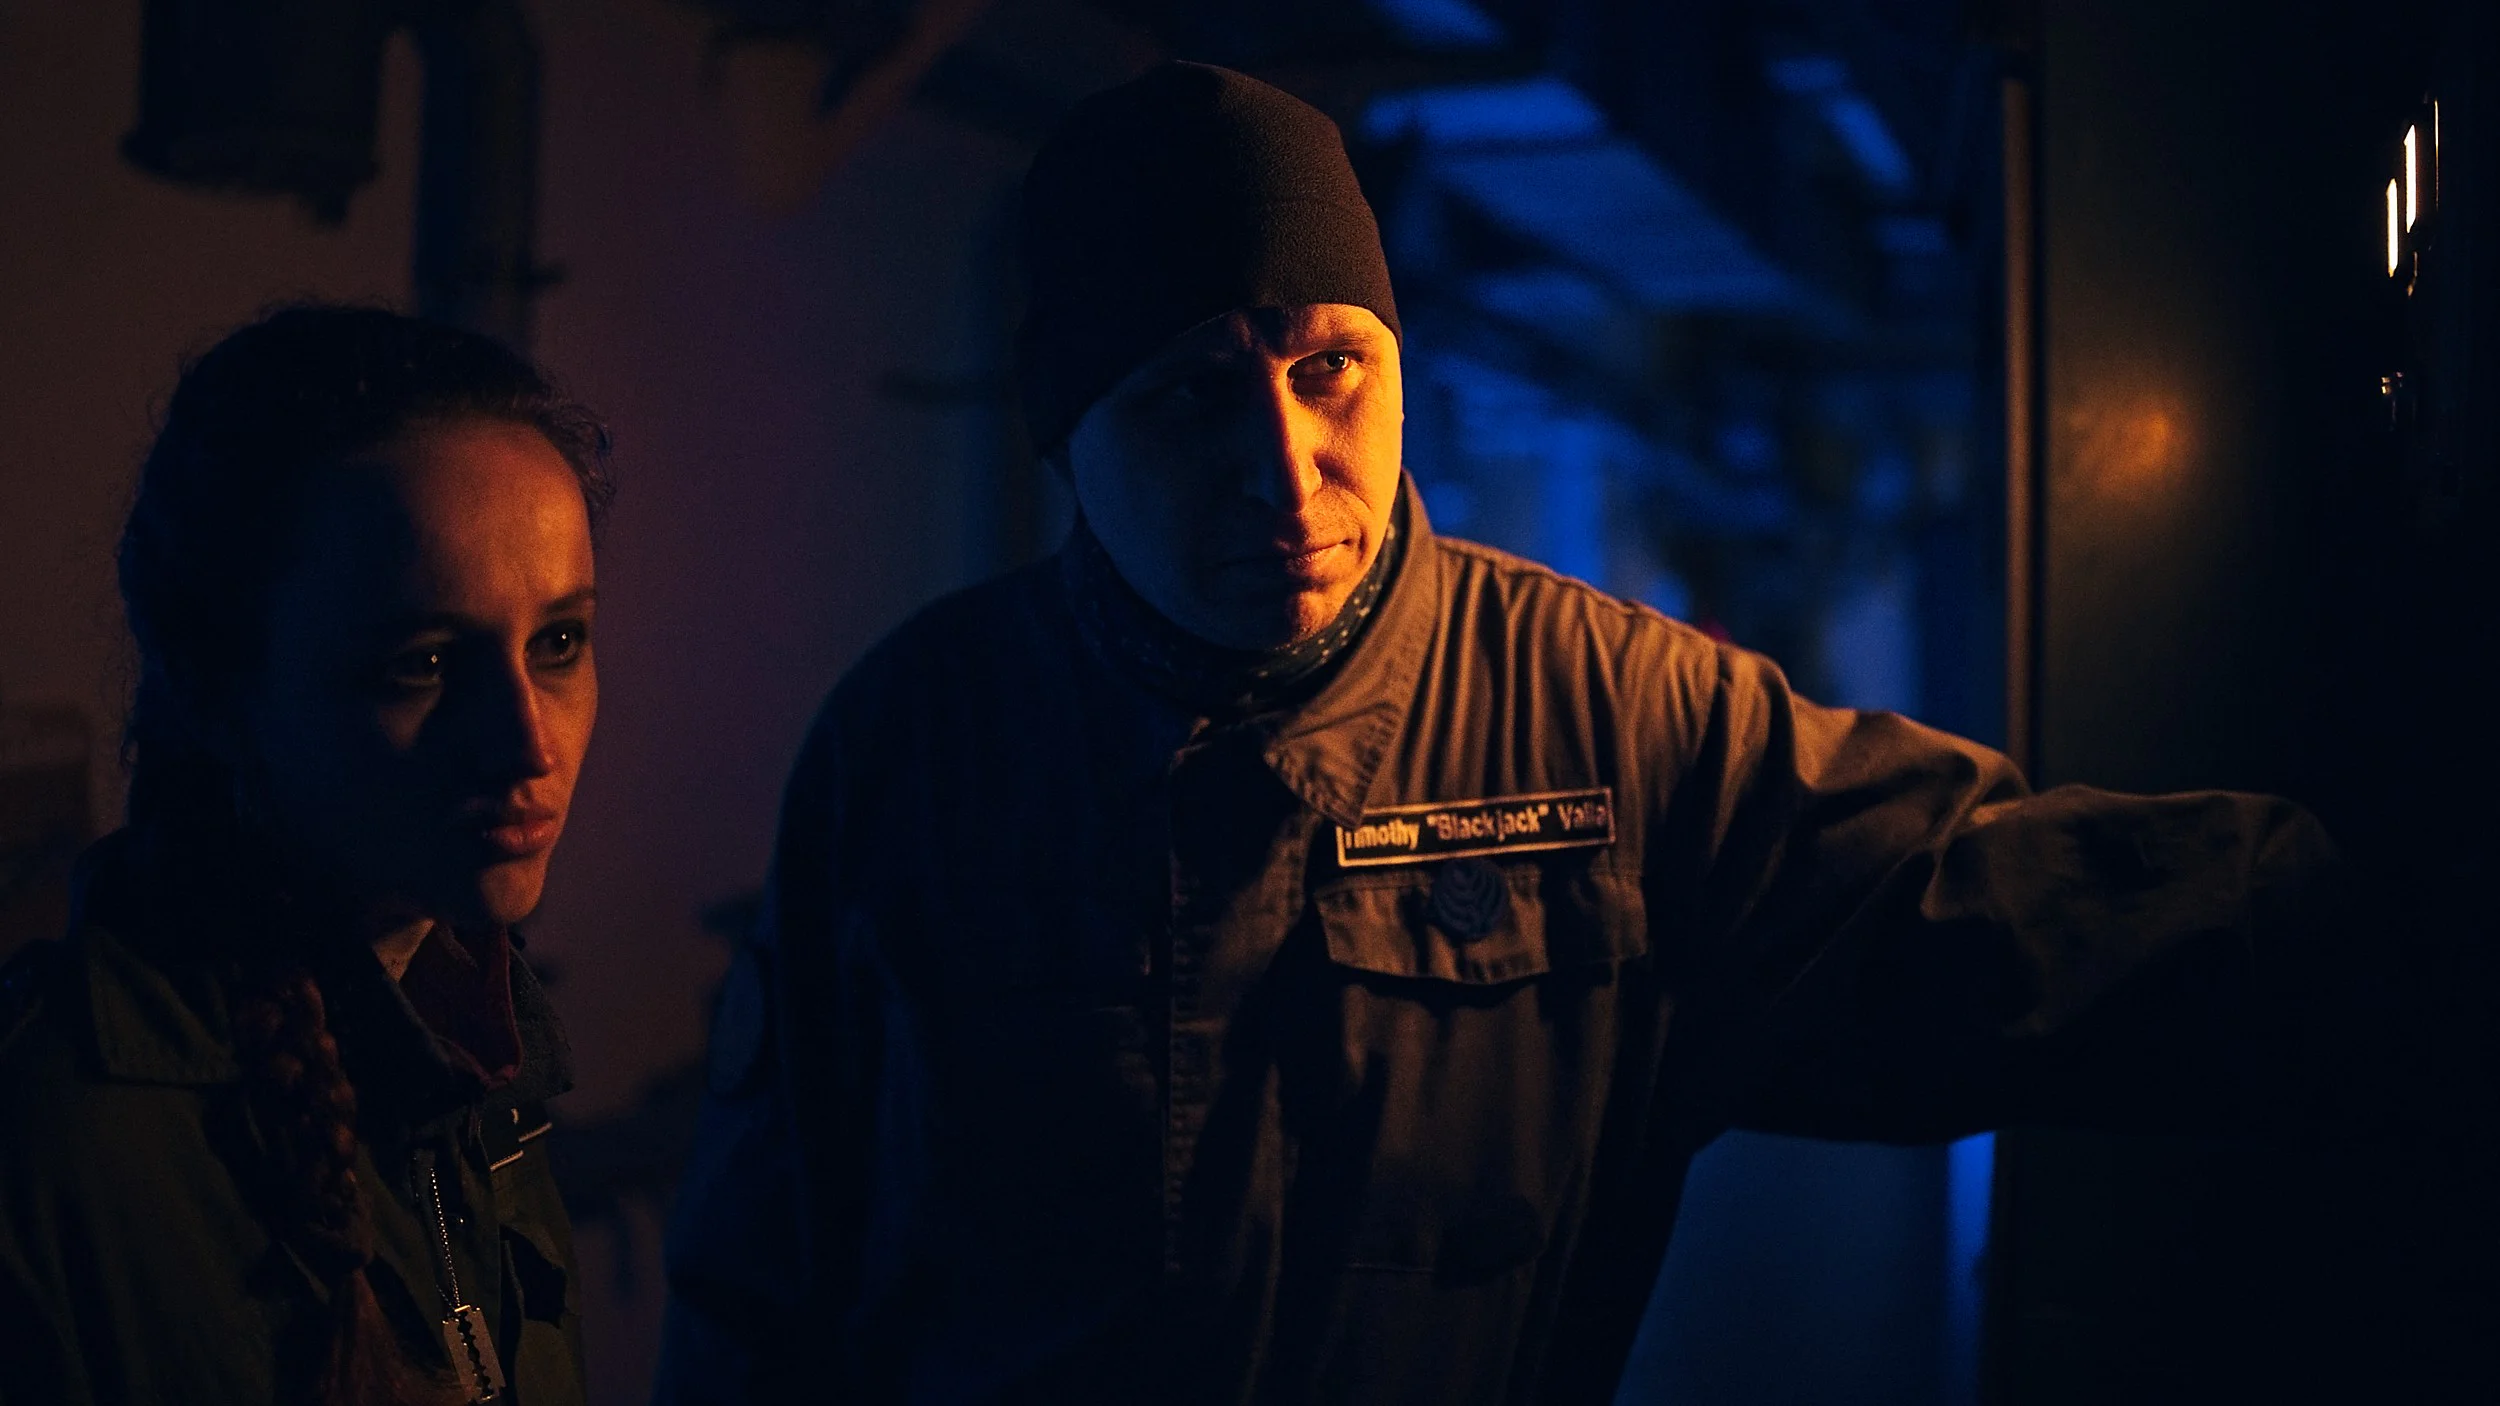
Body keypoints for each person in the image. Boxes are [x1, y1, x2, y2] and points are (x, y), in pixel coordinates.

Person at [655, 63, 2358, 1405]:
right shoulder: (914, 750)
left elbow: (2009, 914)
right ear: (1067, 434)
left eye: (1329, 367)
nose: (1284, 467)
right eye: (1188, 394)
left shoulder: (1614, 721)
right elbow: (759, 1287)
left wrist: (2397, 908)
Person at [0, 306, 610, 1406]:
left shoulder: (474, 1066)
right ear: (223, 689)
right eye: (425, 663)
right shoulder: (62, 1139)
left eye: (558, 642)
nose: (528, 743)